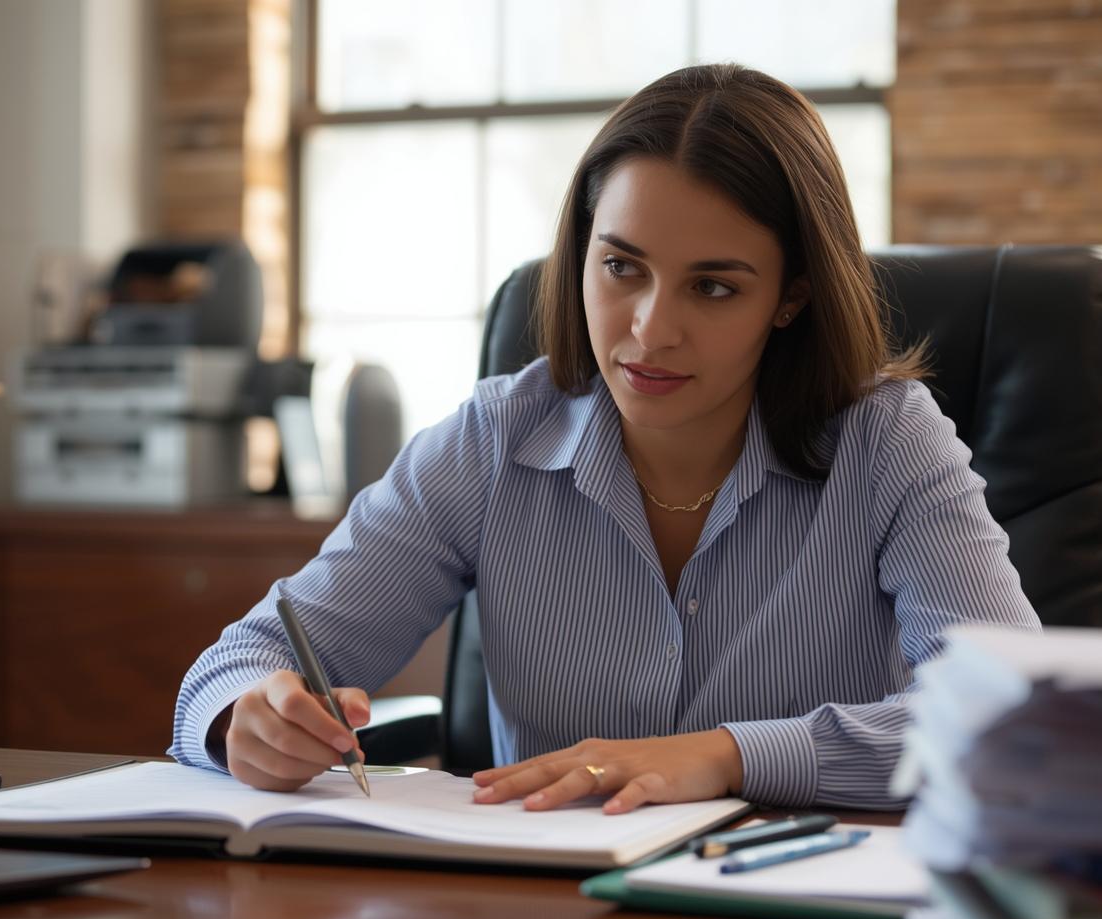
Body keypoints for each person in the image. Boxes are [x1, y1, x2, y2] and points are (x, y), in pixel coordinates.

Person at [170, 63, 1040, 812]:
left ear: (792, 297)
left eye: (714, 288)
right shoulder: (494, 439)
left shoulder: (886, 443)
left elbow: (1012, 716)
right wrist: (247, 716)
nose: (651, 330)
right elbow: (250, 656)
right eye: (622, 267)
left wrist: (725, 756)